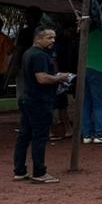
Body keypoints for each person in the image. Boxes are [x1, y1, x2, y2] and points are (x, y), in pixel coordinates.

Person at [12, 26, 65, 184]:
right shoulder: (40, 55)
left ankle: (20, 170)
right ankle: (39, 172)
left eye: (54, 37)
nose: (53, 41)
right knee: (39, 137)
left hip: (28, 98)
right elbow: (41, 78)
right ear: (38, 38)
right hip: (39, 101)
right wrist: (59, 78)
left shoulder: (28, 53)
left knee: (24, 136)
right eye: (49, 38)